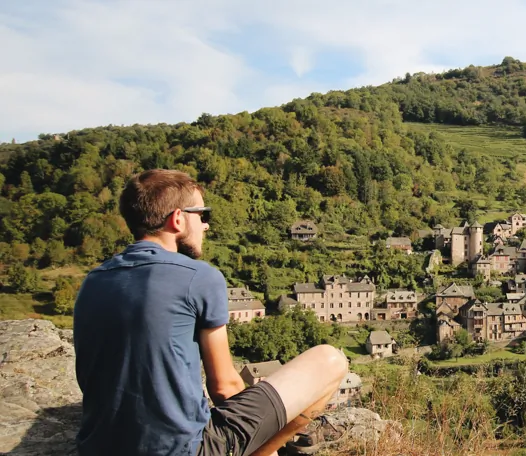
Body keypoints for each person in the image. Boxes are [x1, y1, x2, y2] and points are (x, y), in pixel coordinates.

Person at [73, 169, 349, 456]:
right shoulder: (198, 277)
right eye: (202, 215)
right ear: (177, 219)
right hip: (184, 451)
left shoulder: (93, 281)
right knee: (330, 360)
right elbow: (223, 386)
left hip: (97, 448)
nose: (206, 226)